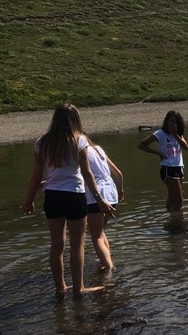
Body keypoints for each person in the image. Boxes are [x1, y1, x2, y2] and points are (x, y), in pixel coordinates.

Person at [21, 104, 117, 295]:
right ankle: (79, 288)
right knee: (77, 245)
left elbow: (36, 175)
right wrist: (99, 200)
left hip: (52, 196)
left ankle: (60, 288)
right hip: (74, 195)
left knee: (56, 244)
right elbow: (87, 174)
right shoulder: (79, 140)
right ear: (75, 120)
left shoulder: (42, 142)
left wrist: (29, 200)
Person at [83, 134, 124, 271]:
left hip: (97, 195)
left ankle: (108, 267)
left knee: (96, 237)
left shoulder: (81, 152)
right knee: (100, 232)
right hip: (111, 192)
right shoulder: (98, 149)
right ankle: (106, 260)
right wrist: (120, 191)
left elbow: (79, 174)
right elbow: (118, 174)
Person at [138, 111, 188, 212]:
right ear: (167, 122)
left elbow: (186, 147)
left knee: (172, 198)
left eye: (175, 122)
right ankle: (178, 220)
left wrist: (175, 134)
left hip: (179, 167)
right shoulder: (160, 133)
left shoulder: (178, 134)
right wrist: (157, 153)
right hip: (168, 168)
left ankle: (170, 217)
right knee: (179, 201)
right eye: (170, 121)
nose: (173, 124)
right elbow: (141, 145)